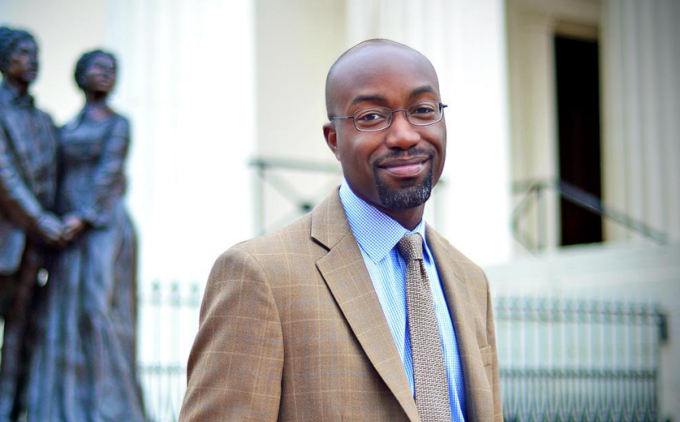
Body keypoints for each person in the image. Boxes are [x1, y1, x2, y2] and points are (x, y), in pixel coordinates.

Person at [181, 39, 502, 421]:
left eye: (422, 110)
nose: (404, 135)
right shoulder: (260, 274)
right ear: (334, 140)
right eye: (370, 116)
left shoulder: (470, 281)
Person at [25, 49, 145, 421]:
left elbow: (109, 172)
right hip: (65, 232)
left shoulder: (118, 124)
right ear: (81, 75)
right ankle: (65, 408)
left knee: (98, 309)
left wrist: (80, 218)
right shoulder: (66, 129)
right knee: (61, 313)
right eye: (98, 68)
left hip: (102, 227)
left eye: (112, 69)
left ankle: (111, 408)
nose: (106, 74)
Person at [0, 26, 63, 422]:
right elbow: (3, 174)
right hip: (8, 235)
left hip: (34, 246)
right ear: (5, 60)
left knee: (21, 334)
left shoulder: (44, 120)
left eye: (36, 52)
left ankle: (10, 410)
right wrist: (40, 220)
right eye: (23, 52)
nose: (32, 59)